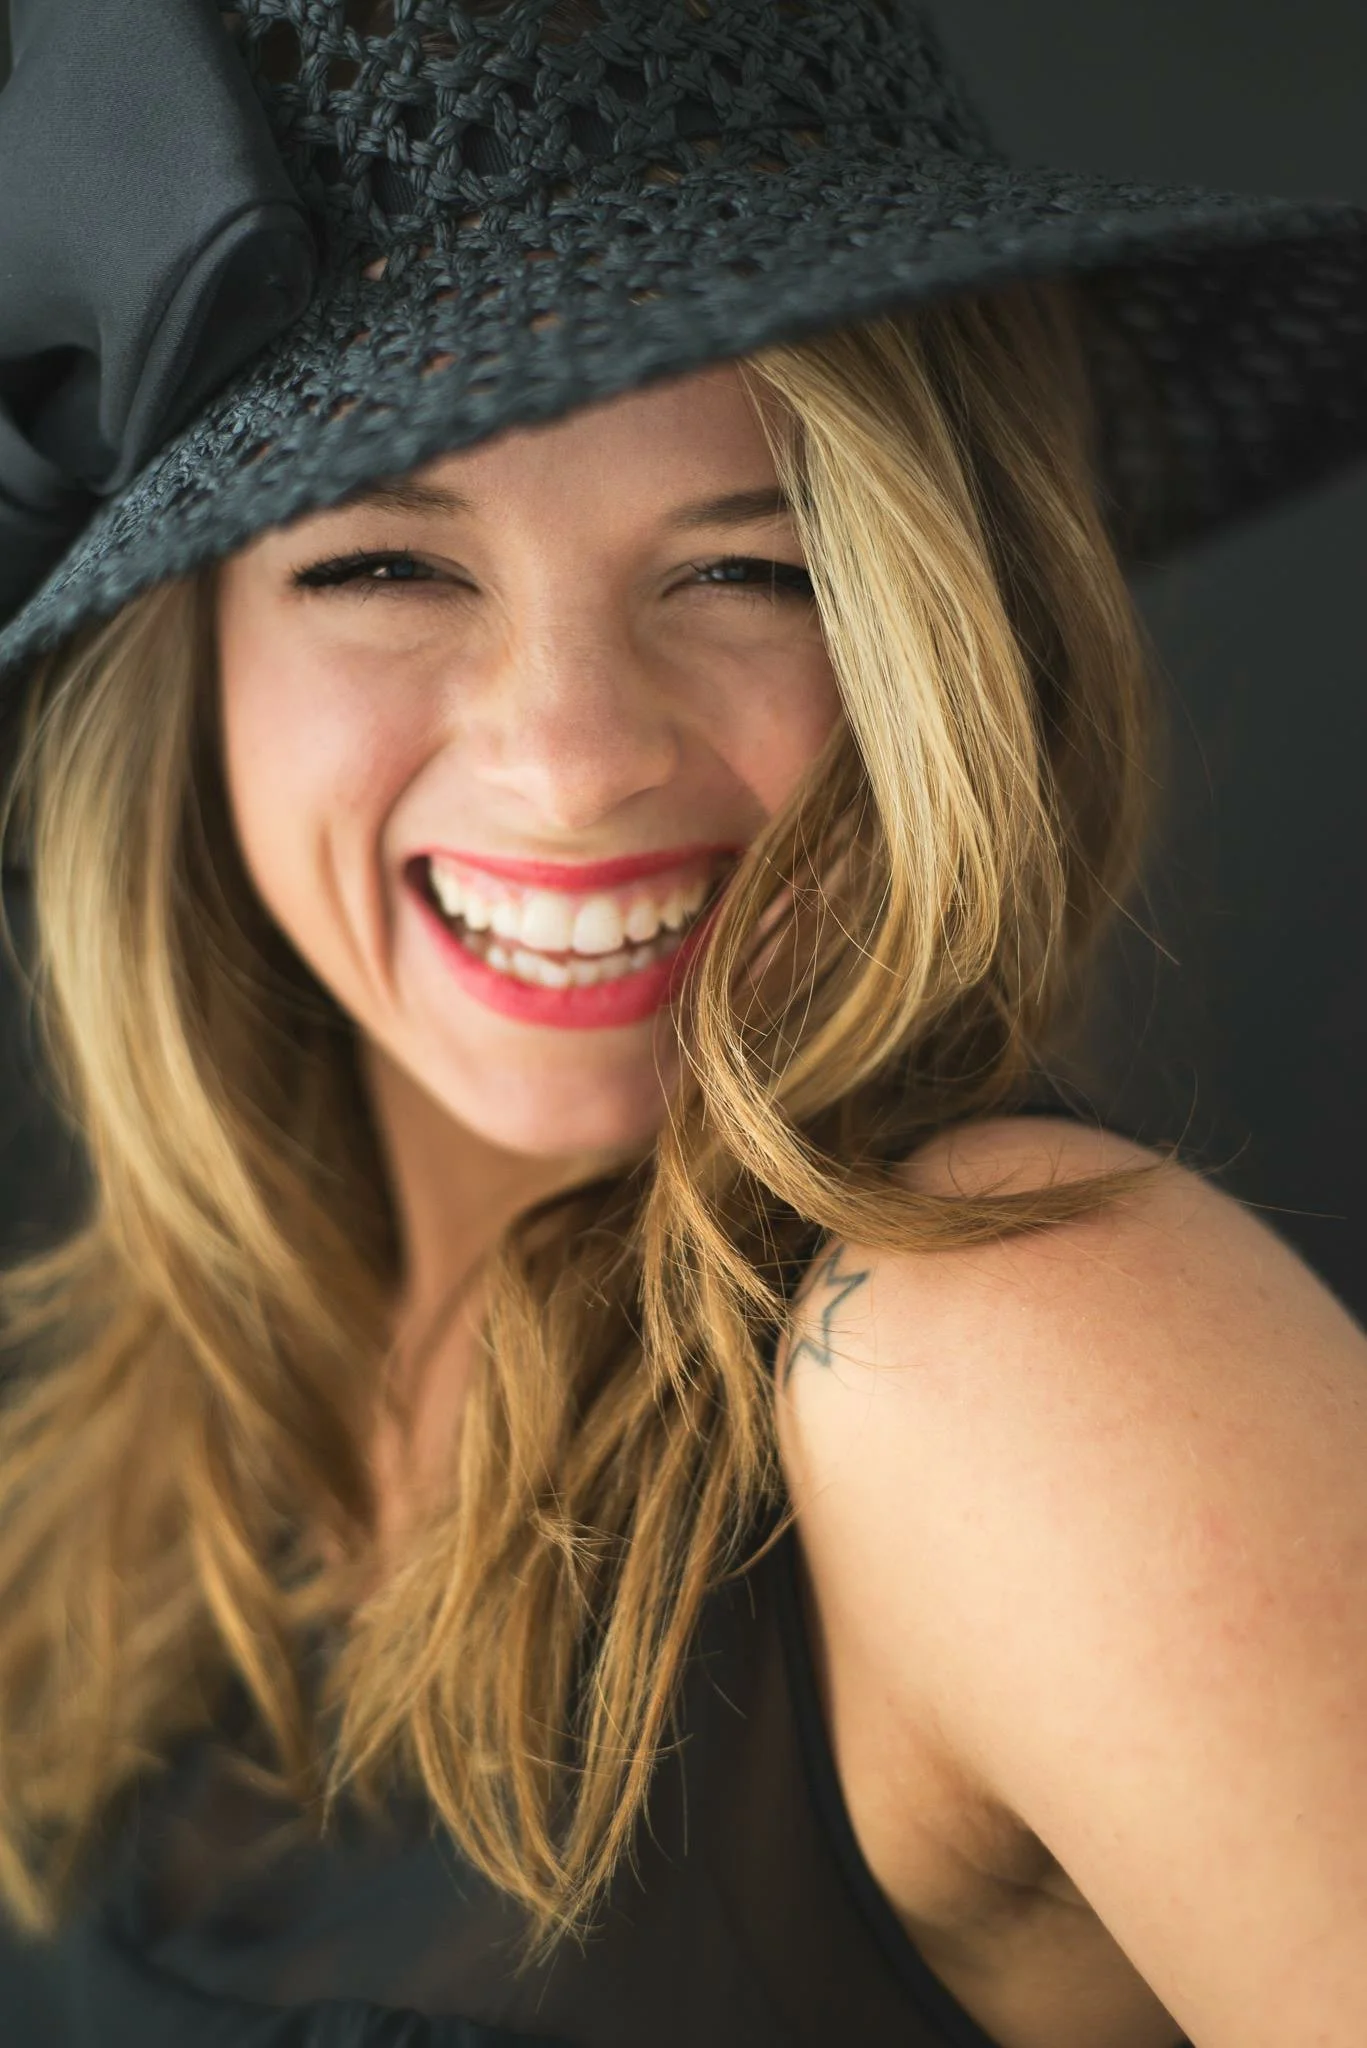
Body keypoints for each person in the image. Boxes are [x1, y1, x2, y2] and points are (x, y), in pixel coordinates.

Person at [0, 4, 1365, 2045]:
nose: (569, 765)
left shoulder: (1009, 1354)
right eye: (384, 559)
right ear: (180, 667)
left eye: (747, 568)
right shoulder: (143, 1442)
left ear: (936, 635)